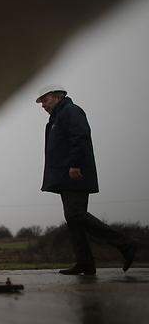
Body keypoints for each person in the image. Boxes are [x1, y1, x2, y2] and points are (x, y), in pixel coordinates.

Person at [37, 85, 137, 275]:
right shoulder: (55, 119)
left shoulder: (71, 112)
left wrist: (75, 165)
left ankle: (126, 244)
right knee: (73, 219)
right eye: (41, 102)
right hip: (65, 176)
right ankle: (85, 263)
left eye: (45, 99)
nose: (42, 105)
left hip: (76, 173)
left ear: (58, 97)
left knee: (76, 215)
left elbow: (80, 138)